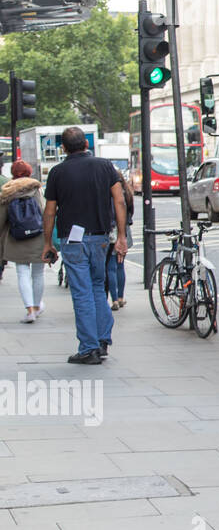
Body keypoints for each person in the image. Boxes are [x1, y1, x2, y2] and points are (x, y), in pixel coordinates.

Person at [41, 128, 127, 365]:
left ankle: (89, 347)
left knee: (82, 292)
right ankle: (102, 340)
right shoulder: (105, 166)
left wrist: (48, 243)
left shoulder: (58, 172)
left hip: (73, 240)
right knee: (98, 287)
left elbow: (50, 212)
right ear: (86, 144)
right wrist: (121, 235)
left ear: (64, 148)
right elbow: (118, 200)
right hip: (100, 238)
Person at [0, 160, 46, 322]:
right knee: (38, 273)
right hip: (38, 236)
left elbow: (2, 217)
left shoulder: (8, 190)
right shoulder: (36, 189)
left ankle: (29, 310)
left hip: (16, 237)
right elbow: (43, 210)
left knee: (22, 273)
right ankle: (37, 305)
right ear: (29, 172)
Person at [105, 169, 133, 310]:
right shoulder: (127, 191)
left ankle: (114, 299)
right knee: (121, 265)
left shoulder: (111, 192)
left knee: (111, 267)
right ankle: (121, 297)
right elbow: (130, 213)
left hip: (113, 230)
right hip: (125, 230)